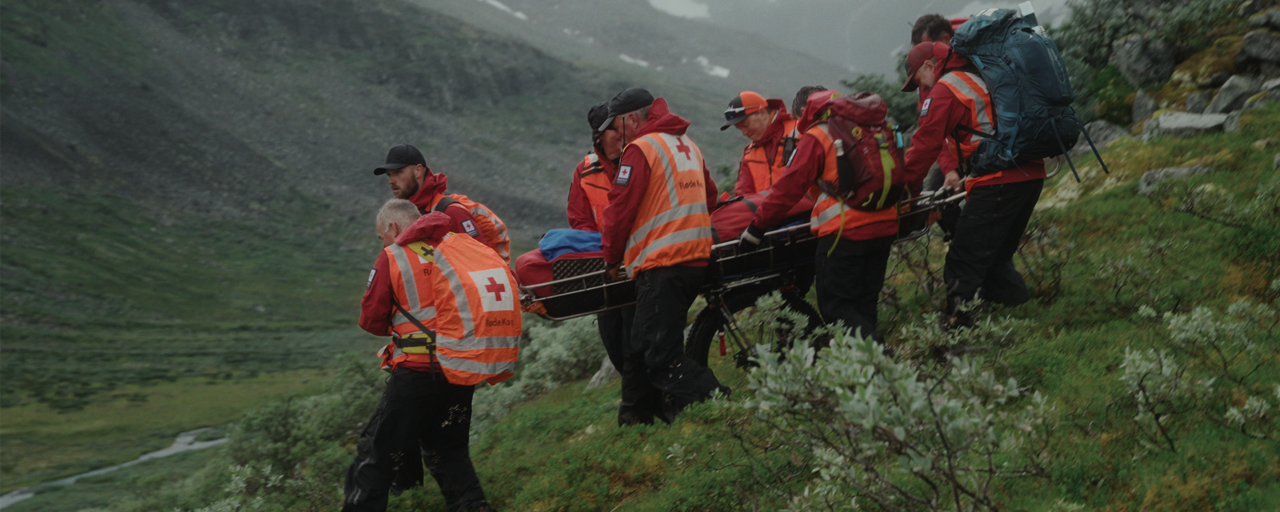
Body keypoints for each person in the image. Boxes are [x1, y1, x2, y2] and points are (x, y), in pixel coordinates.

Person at [345, 201, 498, 512]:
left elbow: (370, 318)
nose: (384, 242)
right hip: (459, 368)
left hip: (415, 373)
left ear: (394, 228)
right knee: (450, 450)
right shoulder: (454, 247)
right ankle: (474, 506)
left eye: (382, 236)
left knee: (377, 455)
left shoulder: (393, 256)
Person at [597, 87, 727, 425]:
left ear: (632, 119)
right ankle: (640, 419)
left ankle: (723, 407)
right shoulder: (687, 145)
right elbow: (710, 196)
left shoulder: (642, 148)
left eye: (617, 124)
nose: (617, 133)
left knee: (660, 357)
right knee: (641, 344)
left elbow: (619, 211)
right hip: (697, 258)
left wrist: (612, 259)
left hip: (664, 264)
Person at [900, 41, 1046, 327]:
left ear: (929, 66)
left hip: (998, 179)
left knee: (963, 259)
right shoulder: (978, 73)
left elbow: (925, 145)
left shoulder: (945, 89)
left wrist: (906, 189)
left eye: (919, 81)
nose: (922, 90)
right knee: (994, 260)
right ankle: (1019, 313)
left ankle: (958, 326)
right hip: (1030, 174)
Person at [739, 90, 899, 345]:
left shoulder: (818, 134)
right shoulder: (874, 127)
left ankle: (883, 360)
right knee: (864, 304)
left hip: (844, 232)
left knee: (836, 308)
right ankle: (868, 374)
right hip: (886, 226)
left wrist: (757, 227)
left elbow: (789, 187)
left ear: (807, 113)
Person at [565, 101, 633, 408]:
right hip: (605, 269)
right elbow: (578, 220)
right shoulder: (584, 170)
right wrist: (603, 250)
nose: (620, 135)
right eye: (613, 131)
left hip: (640, 263)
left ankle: (637, 406)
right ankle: (640, 399)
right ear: (599, 136)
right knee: (613, 339)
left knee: (638, 338)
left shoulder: (638, 158)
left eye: (621, 128)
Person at [373, 144, 489, 247]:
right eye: (389, 175)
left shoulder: (450, 211)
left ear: (418, 171)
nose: (391, 181)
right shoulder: (401, 214)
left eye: (398, 172)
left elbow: (482, 260)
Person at [720, 91, 800, 197]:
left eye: (746, 125)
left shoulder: (802, 131)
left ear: (762, 114)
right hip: (765, 213)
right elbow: (744, 196)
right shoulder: (749, 154)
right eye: (739, 129)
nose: (744, 133)